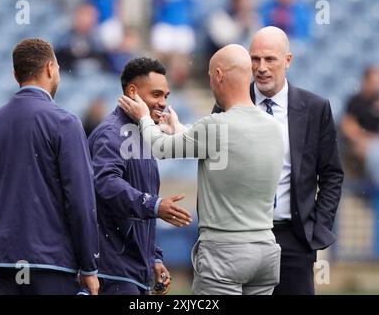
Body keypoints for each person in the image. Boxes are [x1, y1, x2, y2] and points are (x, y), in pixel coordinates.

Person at [119, 44, 285, 295]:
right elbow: (224, 148)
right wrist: (179, 129)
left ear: (219, 75)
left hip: (225, 253)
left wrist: (143, 116)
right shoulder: (272, 126)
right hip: (266, 250)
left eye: (209, 76)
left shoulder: (216, 125)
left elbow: (161, 148)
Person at [213, 27, 343, 294]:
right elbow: (215, 171)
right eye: (255, 59)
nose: (261, 68)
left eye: (269, 59)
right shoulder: (226, 105)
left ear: (288, 60)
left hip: (293, 239)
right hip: (240, 238)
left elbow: (331, 174)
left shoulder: (315, 108)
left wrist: (317, 228)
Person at [0, 39, 99, 295]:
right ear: (51, 68)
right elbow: (81, 201)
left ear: (15, 74)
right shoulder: (65, 122)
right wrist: (89, 266)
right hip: (49, 265)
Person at [88, 57, 193, 295]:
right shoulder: (111, 133)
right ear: (132, 91)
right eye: (156, 95)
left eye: (166, 96)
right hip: (111, 270)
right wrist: (155, 205)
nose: (163, 103)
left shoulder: (144, 136)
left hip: (133, 271)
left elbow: (141, 208)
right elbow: (105, 183)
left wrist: (153, 257)